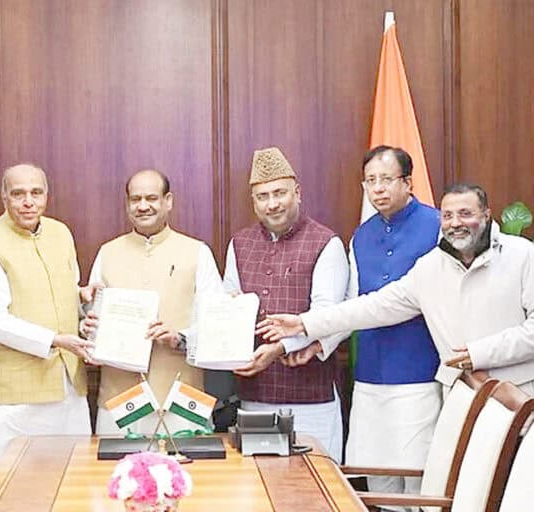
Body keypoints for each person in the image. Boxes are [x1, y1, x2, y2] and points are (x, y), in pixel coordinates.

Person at [261, 183, 534, 396]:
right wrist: (304, 323)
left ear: (486, 215)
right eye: (447, 216)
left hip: (519, 398)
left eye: (465, 214)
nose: (455, 223)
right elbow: (375, 306)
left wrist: (479, 353)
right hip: (462, 398)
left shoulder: (523, 255)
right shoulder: (429, 267)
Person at [291, 146, 441, 506]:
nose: (378, 189)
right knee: (377, 480)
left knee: (418, 482)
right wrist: (321, 344)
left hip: (418, 373)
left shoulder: (438, 226)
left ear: (408, 182)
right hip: (370, 375)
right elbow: (354, 303)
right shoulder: (361, 235)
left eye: (386, 179)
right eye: (370, 181)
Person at [223, 147, 349, 462]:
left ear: (298, 193)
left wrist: (280, 348)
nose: (272, 204)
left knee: (316, 482)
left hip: (311, 400)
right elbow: (229, 305)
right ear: (254, 202)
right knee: (258, 482)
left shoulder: (326, 242)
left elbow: (327, 316)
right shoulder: (239, 243)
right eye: (263, 196)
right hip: (255, 396)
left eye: (280, 193)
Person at [0, 163, 95, 464]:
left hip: (68, 386)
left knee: (72, 476)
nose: (28, 202)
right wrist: (54, 340)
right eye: (18, 194)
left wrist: (84, 303)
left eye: (36, 193)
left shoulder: (61, 233)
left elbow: (66, 292)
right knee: (15, 483)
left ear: (47, 195)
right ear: (4, 197)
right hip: (15, 396)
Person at [87, 169, 223, 435]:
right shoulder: (108, 252)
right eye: (135, 199)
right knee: (118, 463)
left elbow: (215, 326)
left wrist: (178, 338)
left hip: (182, 397)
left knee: (187, 463)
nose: (143, 206)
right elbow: (94, 319)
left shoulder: (197, 252)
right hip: (119, 398)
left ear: (168, 201)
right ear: (127, 204)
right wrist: (90, 328)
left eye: (151, 198)